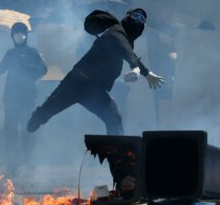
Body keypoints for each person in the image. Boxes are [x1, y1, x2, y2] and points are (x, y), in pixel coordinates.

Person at [26, 8, 164, 136]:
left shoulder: (124, 41)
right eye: (135, 15)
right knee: (45, 112)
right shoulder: (116, 32)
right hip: (75, 82)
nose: (138, 19)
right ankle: (38, 116)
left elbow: (127, 52)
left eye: (141, 18)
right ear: (127, 17)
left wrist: (146, 73)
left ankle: (116, 154)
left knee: (114, 118)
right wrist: (136, 69)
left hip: (93, 90)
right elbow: (128, 53)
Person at [0, 22, 47, 167]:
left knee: (28, 131)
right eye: (16, 34)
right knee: (10, 133)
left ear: (26, 35)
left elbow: (43, 69)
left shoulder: (32, 52)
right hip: (11, 99)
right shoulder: (10, 53)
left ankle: (29, 165)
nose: (19, 36)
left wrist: (31, 76)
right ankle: (12, 165)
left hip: (27, 98)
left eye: (21, 33)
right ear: (12, 36)